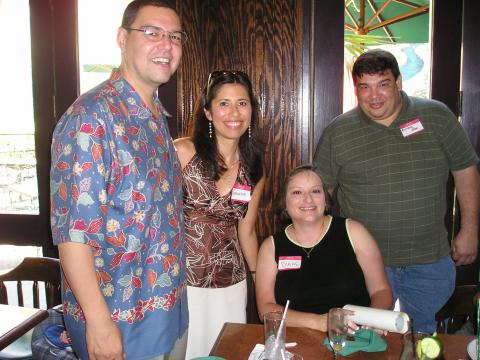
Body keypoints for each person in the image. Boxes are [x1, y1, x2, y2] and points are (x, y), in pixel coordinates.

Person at [50, 1, 189, 359]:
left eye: (174, 36)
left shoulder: (155, 116)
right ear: (122, 38)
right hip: (118, 323)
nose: (166, 44)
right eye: (152, 32)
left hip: (168, 313)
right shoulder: (91, 118)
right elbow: (73, 234)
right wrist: (98, 322)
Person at [314, 49, 480, 333]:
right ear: (356, 89)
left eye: (383, 84)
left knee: (421, 335)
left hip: (429, 260)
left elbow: (466, 171)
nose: (374, 95)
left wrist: (470, 229)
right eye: (364, 87)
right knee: (368, 339)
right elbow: (320, 195)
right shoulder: (338, 132)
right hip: (365, 263)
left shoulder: (437, 116)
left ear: (399, 82)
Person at [174, 70, 265, 358]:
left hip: (231, 284)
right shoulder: (183, 153)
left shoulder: (254, 168)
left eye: (242, 103)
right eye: (224, 103)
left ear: (251, 109)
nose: (234, 112)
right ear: (208, 113)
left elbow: (247, 231)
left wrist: (260, 282)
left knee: (227, 352)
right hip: (181, 282)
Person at [255, 165, 392, 332]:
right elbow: (265, 309)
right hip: (296, 338)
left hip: (352, 335)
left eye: (315, 191)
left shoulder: (354, 231)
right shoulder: (271, 247)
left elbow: (381, 290)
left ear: (325, 199)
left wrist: (371, 320)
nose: (308, 199)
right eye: (297, 192)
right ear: (284, 202)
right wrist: (319, 322)